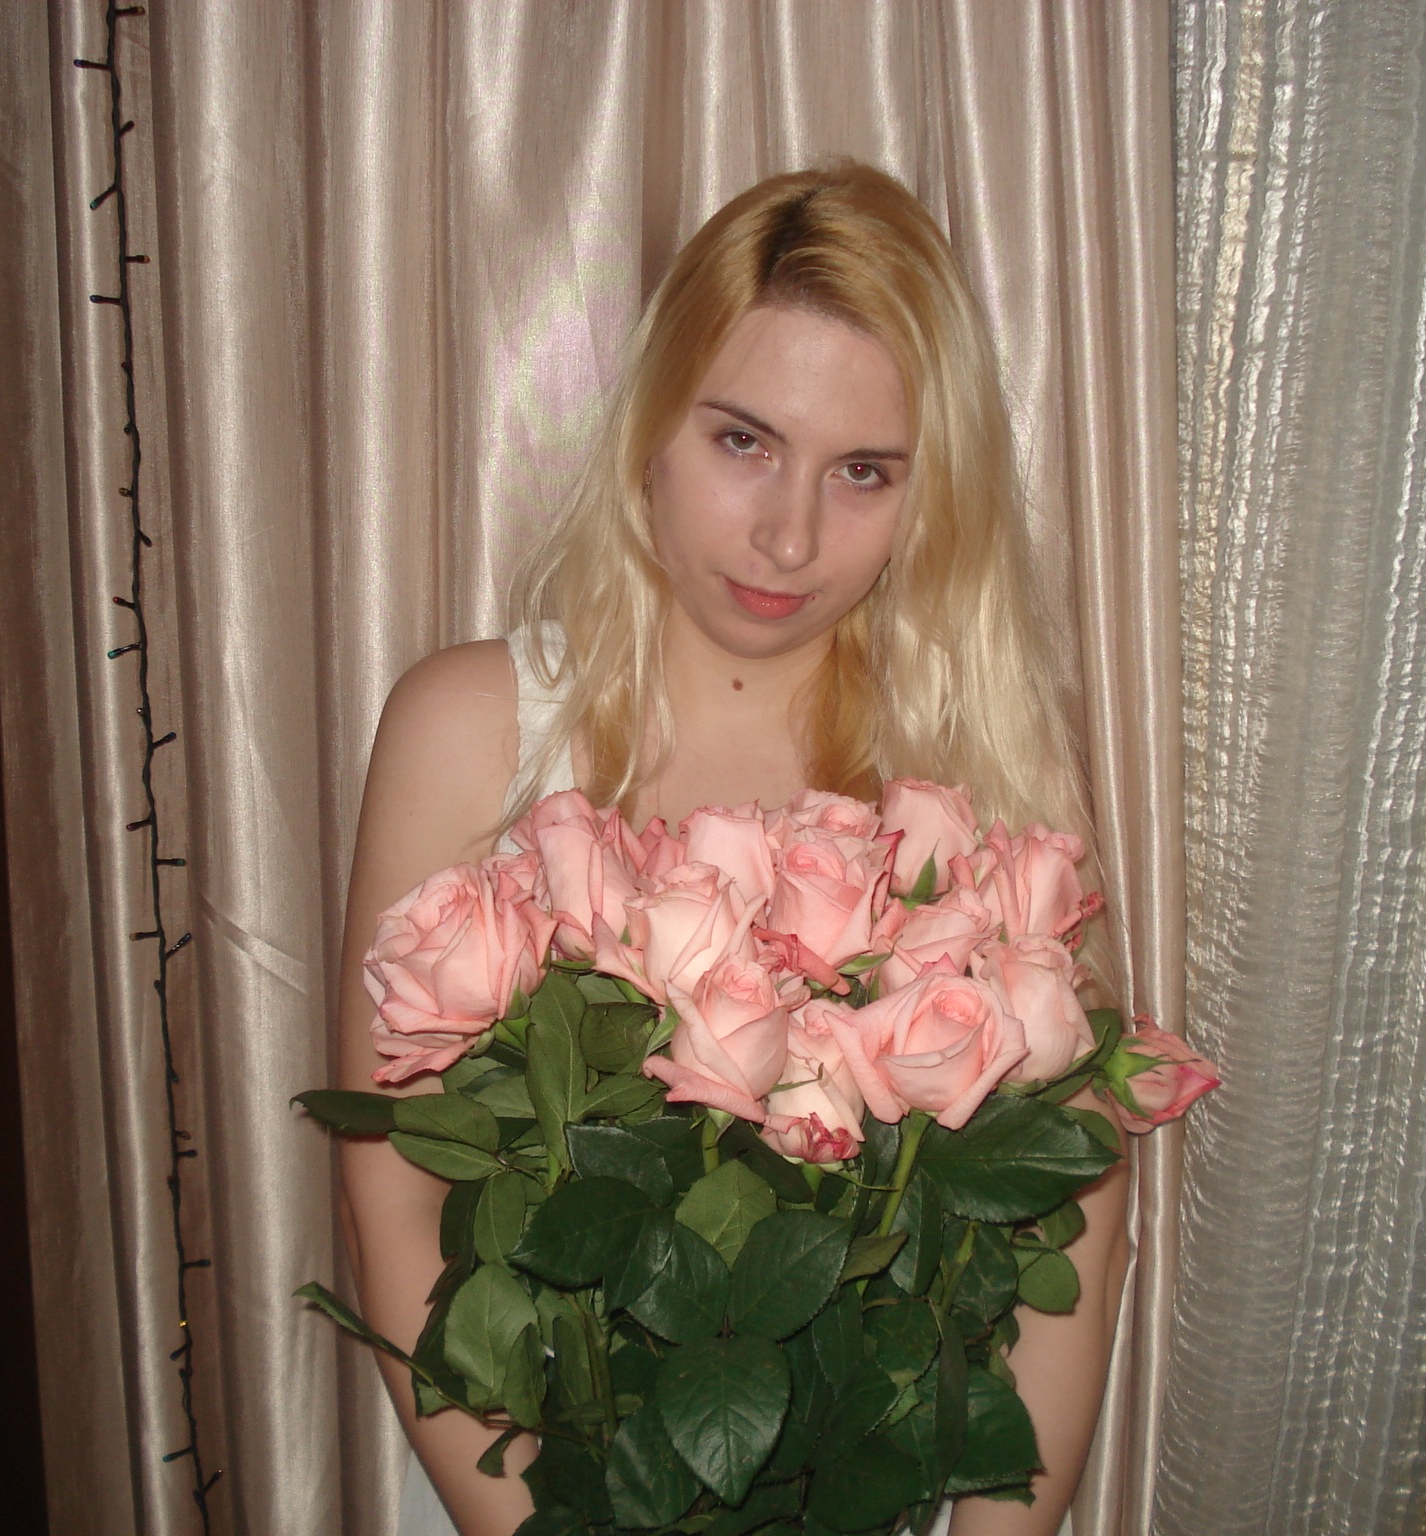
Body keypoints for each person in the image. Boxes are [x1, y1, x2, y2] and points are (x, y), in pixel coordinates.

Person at [335, 160, 1130, 1536]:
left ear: (928, 496)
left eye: (863, 472)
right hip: (523, 1488)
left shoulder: (978, 761)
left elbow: (1083, 1195)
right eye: (744, 442)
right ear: (651, 421)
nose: (788, 535)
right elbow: (391, 1183)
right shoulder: (470, 727)